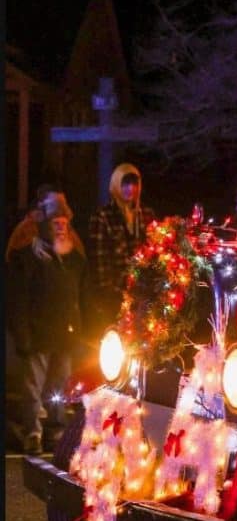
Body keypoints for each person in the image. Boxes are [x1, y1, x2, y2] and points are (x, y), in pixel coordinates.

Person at [8, 193, 86, 454]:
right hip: (38, 335)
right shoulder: (29, 257)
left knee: (60, 389)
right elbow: (18, 299)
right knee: (33, 388)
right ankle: (33, 433)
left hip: (63, 336)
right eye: (56, 223)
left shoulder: (71, 259)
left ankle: (56, 432)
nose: (61, 227)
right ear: (45, 224)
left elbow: (76, 296)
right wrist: (23, 336)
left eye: (64, 222)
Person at [87, 163, 155, 335]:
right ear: (116, 184)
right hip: (114, 295)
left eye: (134, 183)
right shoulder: (103, 216)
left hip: (143, 295)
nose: (130, 188)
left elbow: (155, 251)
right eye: (125, 183)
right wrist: (110, 295)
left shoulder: (146, 214)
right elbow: (99, 261)